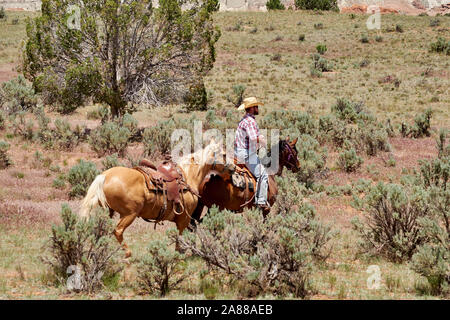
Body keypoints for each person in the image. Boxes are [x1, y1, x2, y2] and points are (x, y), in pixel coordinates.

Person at [234, 97, 269, 210]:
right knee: (263, 175)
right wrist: (263, 140)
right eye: (256, 106)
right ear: (251, 108)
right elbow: (254, 138)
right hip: (246, 154)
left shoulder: (244, 120)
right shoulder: (250, 121)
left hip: (239, 152)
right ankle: (261, 201)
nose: (257, 108)